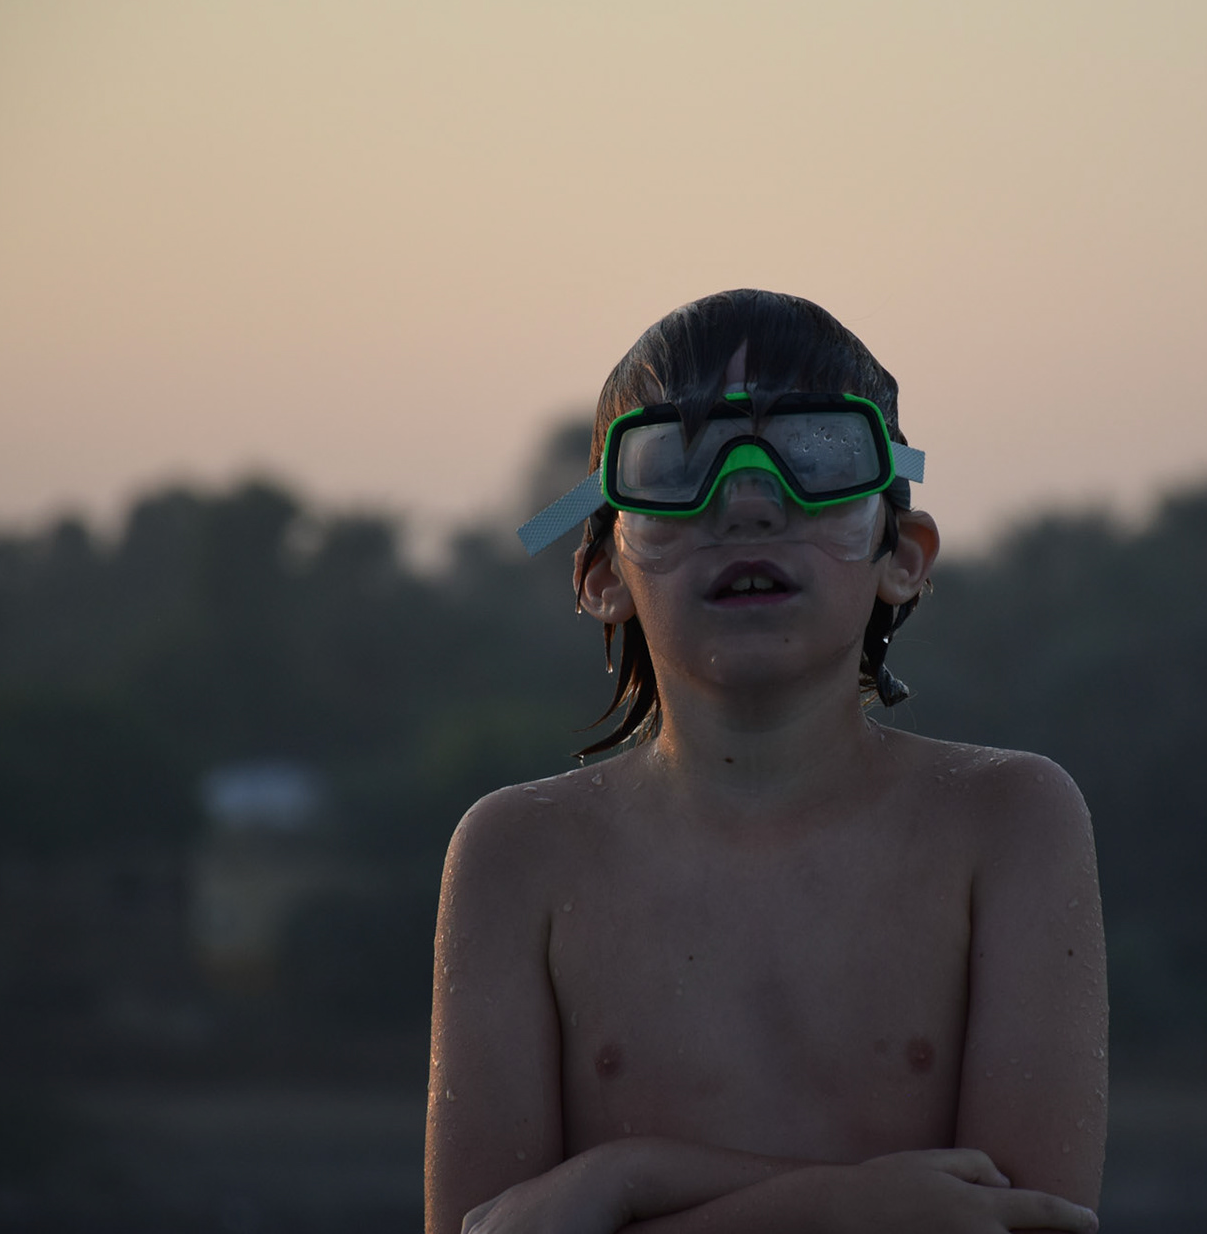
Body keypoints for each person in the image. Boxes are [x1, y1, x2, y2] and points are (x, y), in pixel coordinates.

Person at [426, 290, 1107, 1234]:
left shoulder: (1007, 821)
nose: (747, 504)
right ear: (603, 574)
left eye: (815, 458)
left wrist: (618, 1191)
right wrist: (860, 1208)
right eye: (679, 469)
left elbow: (1029, 1224)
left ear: (904, 556)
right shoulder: (518, 853)